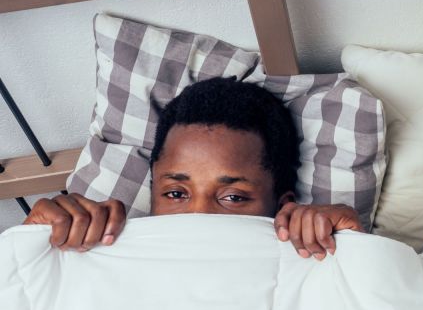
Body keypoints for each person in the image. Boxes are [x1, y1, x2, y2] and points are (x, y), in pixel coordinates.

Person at [22, 77, 364, 259]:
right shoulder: (96, 254)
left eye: (232, 197)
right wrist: (28, 247)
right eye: (175, 193)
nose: (198, 215)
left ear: (284, 206)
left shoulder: (310, 263)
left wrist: (353, 251)